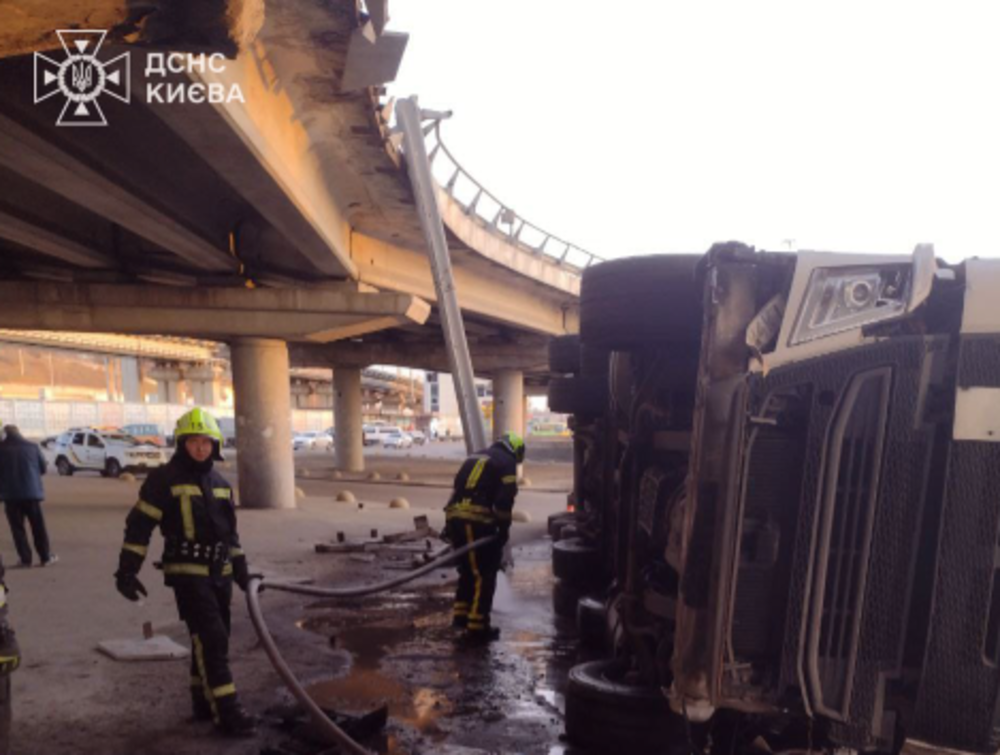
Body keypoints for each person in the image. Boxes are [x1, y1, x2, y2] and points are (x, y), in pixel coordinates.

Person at [114, 408, 258, 737]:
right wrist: (126, 571)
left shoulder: (220, 485)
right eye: (193, 441)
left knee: (206, 639)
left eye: (206, 442)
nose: (200, 448)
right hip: (188, 573)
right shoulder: (164, 480)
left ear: (215, 444)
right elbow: (139, 526)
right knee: (212, 638)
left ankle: (202, 701)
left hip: (219, 573)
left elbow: (231, 537)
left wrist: (243, 574)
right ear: (182, 443)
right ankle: (228, 712)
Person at [444, 432, 525, 642]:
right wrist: (503, 528)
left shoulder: (476, 456)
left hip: (455, 518)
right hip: (476, 521)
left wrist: (449, 525)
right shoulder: (507, 462)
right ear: (515, 451)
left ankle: (461, 618)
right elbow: (505, 499)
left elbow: (455, 491)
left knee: (468, 571)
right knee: (484, 574)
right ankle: (478, 628)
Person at [0, 426, 56, 568]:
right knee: (38, 526)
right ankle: (45, 557)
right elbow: (43, 468)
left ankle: (25, 559)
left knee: (18, 529)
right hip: (32, 494)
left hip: (10, 496)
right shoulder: (32, 446)